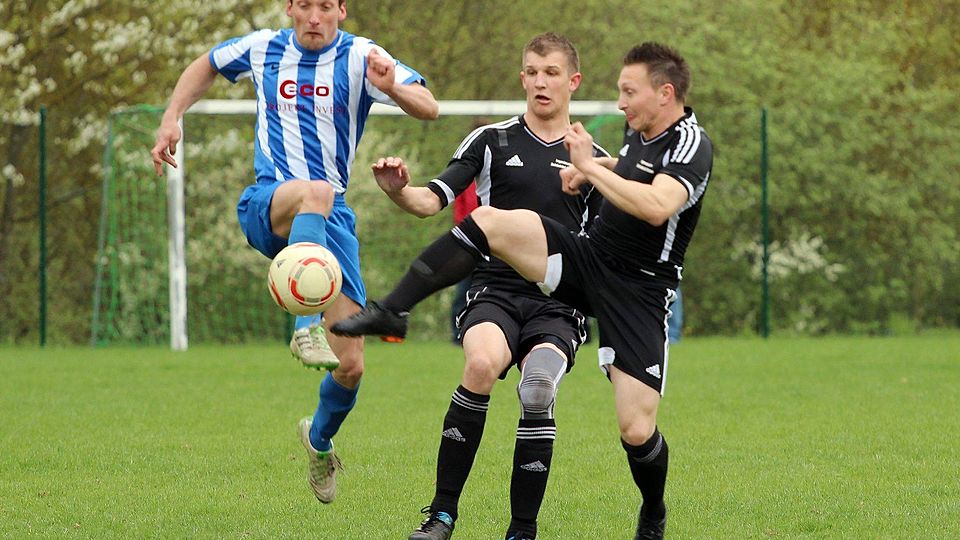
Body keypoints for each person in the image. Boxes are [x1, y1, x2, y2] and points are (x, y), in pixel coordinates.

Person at [333, 42, 712, 540]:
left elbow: (658, 206)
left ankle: (654, 512)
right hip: (584, 261)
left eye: (628, 92)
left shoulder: (691, 144)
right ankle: (392, 311)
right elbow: (626, 173)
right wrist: (597, 169)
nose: (620, 103)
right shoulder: (630, 131)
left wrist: (593, 168)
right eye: (531, 72)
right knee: (487, 221)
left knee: (636, 430)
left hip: (639, 293)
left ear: (665, 94)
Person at [150, 0, 438, 505]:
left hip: (332, 220)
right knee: (316, 190)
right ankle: (302, 328)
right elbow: (207, 65)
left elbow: (429, 107)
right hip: (270, 202)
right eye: (304, 4)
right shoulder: (263, 47)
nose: (312, 16)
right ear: (289, 7)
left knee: (351, 364)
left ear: (341, 11)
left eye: (324, 6)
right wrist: (172, 116)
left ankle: (320, 441)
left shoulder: (362, 56)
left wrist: (391, 86)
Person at [367, 33, 608, 540]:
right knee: (479, 365)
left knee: (538, 387)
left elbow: (607, 250)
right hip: (494, 291)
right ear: (522, 77)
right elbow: (432, 200)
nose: (540, 81)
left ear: (573, 81)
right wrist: (398, 192)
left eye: (552, 73)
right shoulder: (491, 141)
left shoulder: (595, 159)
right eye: (532, 72)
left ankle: (522, 529)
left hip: (557, 304)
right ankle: (440, 515)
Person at [449, 182, 478, 344]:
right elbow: (459, 212)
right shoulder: (466, 182)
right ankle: (457, 335)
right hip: (468, 244)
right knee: (462, 292)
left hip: (494, 244)